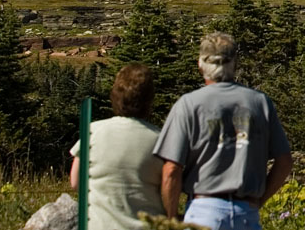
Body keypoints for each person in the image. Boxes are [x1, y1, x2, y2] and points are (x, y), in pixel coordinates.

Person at [154, 32, 293, 229]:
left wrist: (169, 217)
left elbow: (171, 170)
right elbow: (284, 161)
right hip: (247, 212)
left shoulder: (189, 104)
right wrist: (258, 201)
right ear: (234, 63)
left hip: (204, 210)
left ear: (201, 64)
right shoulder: (259, 102)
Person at [69, 63, 164, 230]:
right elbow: (169, 188)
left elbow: (76, 182)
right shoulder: (160, 140)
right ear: (149, 99)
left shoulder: (92, 132)